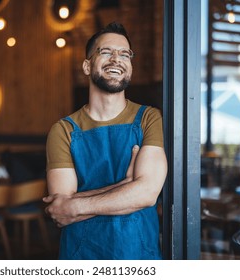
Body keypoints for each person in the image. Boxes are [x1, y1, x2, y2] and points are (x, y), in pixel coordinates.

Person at [44, 22, 167, 260]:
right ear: (87, 66)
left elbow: (147, 194)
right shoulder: (63, 130)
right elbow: (60, 210)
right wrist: (127, 185)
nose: (116, 59)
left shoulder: (149, 118)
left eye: (124, 54)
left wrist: (76, 205)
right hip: (81, 256)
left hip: (138, 254)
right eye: (106, 52)